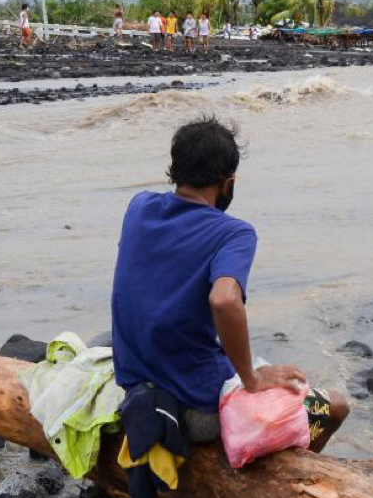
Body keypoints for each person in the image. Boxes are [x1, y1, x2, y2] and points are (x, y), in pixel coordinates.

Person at [111, 117, 349, 451]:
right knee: (333, 407)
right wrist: (251, 378)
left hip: (135, 384)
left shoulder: (138, 207)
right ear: (229, 182)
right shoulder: (233, 233)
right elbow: (224, 300)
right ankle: (288, 479)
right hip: (196, 406)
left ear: (174, 170)